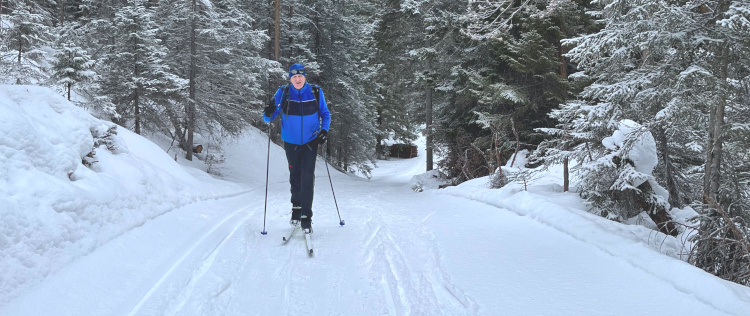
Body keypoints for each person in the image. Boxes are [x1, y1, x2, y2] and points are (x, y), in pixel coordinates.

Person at [263, 63, 331, 234]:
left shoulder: (315, 92)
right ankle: (296, 209)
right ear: (290, 78)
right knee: (295, 176)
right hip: (291, 142)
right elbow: (268, 118)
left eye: (300, 76)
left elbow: (325, 114)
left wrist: (324, 131)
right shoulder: (283, 92)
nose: (298, 79)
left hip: (310, 141)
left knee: (307, 177)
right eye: (294, 77)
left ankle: (306, 217)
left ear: (305, 77)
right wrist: (269, 111)